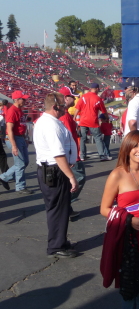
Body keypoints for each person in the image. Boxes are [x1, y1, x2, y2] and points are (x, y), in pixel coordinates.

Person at [100, 130, 139, 308]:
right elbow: (104, 208)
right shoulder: (117, 174)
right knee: (128, 293)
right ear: (127, 148)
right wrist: (129, 220)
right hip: (127, 242)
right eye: (135, 146)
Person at [34, 93, 79, 258]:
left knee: (60, 208)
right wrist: (71, 176)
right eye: (62, 107)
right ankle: (56, 245)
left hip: (53, 169)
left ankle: (59, 241)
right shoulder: (50, 125)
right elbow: (57, 154)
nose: (65, 110)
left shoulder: (49, 122)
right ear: (54, 107)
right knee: (57, 209)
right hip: (54, 170)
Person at [58, 87, 85, 219]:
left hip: (71, 154)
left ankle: (66, 207)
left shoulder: (65, 114)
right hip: (72, 156)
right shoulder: (64, 116)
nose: (74, 99)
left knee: (70, 182)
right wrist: (72, 158)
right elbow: (67, 139)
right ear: (65, 98)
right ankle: (64, 205)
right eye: (72, 97)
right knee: (78, 179)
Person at [0, 91, 33, 194]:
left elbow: (21, 126)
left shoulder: (19, 110)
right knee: (20, 163)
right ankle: (20, 186)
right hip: (14, 138)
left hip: (20, 137)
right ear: (17, 100)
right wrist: (14, 145)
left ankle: (4, 177)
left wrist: (25, 138)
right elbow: (9, 129)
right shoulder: (12, 111)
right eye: (23, 99)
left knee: (25, 162)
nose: (25, 100)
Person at [73, 83, 110, 162]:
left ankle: (82, 156)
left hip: (83, 121)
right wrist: (107, 118)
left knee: (82, 138)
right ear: (97, 89)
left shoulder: (83, 96)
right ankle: (102, 155)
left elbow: (77, 108)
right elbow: (104, 111)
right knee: (98, 138)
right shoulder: (98, 99)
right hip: (93, 121)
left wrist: (74, 117)